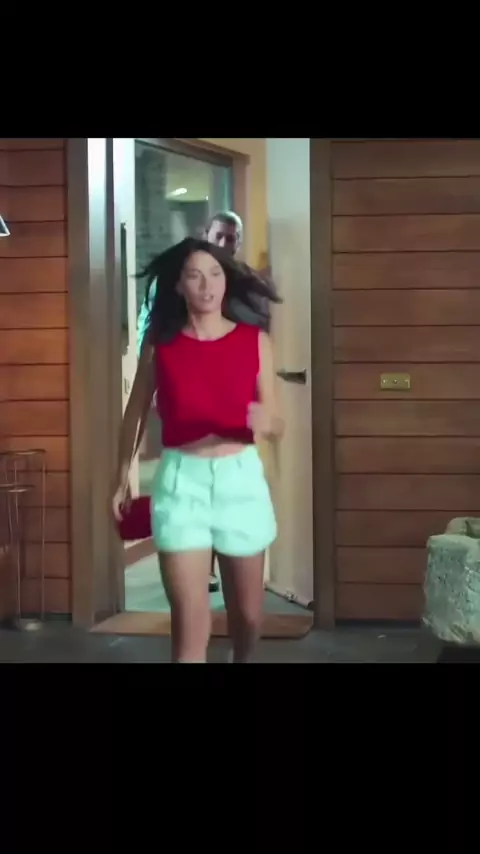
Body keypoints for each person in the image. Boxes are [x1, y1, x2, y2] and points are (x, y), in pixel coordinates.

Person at [113, 237, 283, 663]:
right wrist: (120, 477)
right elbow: (134, 413)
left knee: (248, 617)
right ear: (178, 285)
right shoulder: (161, 344)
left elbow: (277, 421)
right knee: (190, 625)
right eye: (194, 275)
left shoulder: (255, 341)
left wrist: (267, 422)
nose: (207, 285)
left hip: (240, 482)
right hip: (180, 485)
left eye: (215, 274)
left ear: (226, 281)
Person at [136, 210, 244, 594]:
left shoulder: (240, 286)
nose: (225, 243)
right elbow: (149, 325)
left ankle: (226, 563)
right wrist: (155, 380)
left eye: (232, 238)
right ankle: (200, 563)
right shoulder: (177, 284)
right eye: (220, 235)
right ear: (206, 234)